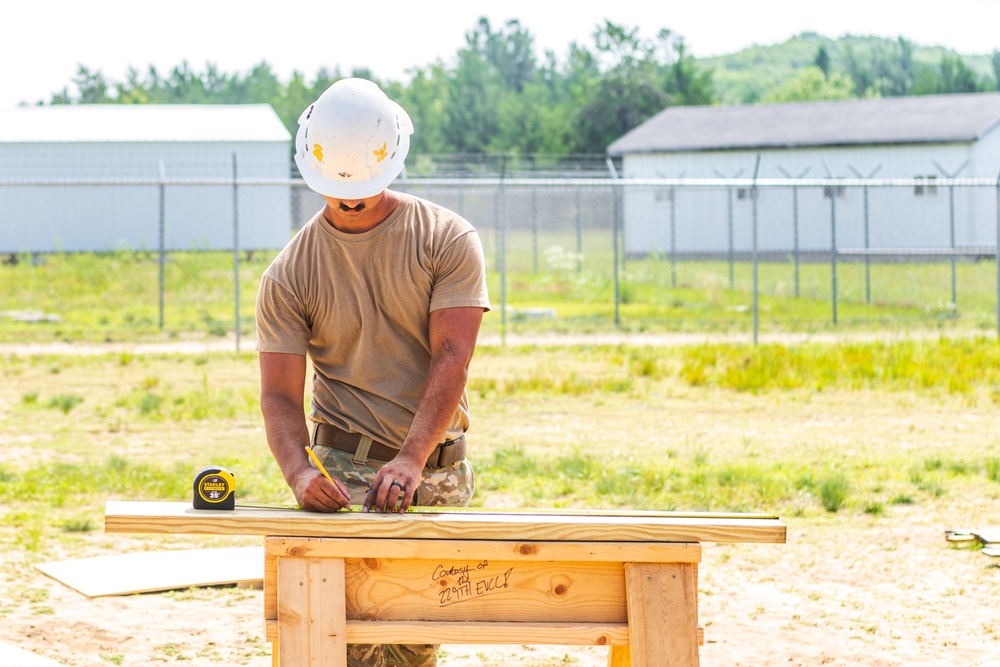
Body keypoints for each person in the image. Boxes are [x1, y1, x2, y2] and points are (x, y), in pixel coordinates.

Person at [254, 78, 490, 666]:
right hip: (343, 471)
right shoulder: (289, 274)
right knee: (342, 644)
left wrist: (411, 458)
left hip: (435, 470)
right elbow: (278, 396)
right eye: (341, 193)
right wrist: (298, 472)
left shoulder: (446, 239)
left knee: (414, 646)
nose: (352, 202)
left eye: (360, 191)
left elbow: (453, 355)